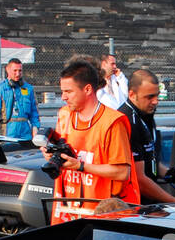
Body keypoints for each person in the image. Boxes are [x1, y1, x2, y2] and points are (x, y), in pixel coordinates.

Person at [45, 58, 138, 223]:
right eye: (62, 91)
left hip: (102, 214)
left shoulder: (112, 122)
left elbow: (123, 172)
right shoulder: (64, 115)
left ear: (87, 89)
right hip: (67, 211)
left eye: (68, 91)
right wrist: (52, 156)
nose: (63, 97)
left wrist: (81, 166)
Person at [120, 69, 175, 204]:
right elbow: (138, 178)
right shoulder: (127, 121)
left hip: (148, 201)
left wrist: (172, 174)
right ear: (132, 94)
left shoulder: (146, 114)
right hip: (133, 206)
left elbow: (148, 160)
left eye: (157, 96)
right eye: (149, 97)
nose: (155, 101)